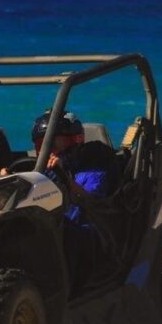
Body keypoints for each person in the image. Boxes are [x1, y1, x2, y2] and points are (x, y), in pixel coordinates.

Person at [32, 109, 116, 286]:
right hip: (52, 227)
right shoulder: (41, 169)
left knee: (66, 234)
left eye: (55, 144)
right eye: (42, 145)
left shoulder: (93, 168)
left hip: (89, 234)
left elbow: (90, 201)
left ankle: (66, 292)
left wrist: (63, 176)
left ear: (75, 140)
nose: (49, 151)